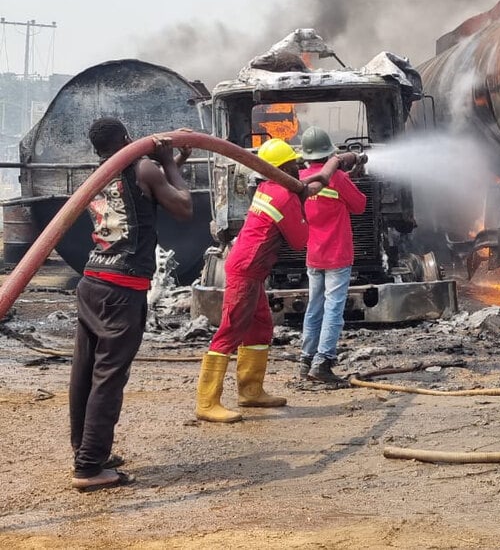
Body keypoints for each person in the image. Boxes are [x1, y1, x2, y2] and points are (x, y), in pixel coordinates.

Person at [70, 118, 193, 491]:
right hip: (122, 289)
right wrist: (168, 162)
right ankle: (90, 468)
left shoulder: (99, 173)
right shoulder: (146, 167)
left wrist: (172, 165)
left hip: (92, 280)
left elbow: (137, 196)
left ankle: (86, 450)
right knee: (109, 376)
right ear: (127, 138)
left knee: (86, 372)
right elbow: (184, 207)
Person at [194, 139, 355, 422]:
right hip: (246, 271)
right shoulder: (283, 197)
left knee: (259, 329)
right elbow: (299, 240)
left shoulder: (269, 188)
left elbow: (307, 188)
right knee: (230, 331)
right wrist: (305, 205)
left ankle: (251, 391)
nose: (301, 166)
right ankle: (207, 403)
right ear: (286, 167)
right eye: (295, 163)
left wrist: (314, 186)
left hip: (252, 271)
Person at [298, 126, 367, 384]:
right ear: (329, 153)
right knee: (333, 309)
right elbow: (359, 205)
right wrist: (350, 178)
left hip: (313, 255)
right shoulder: (337, 179)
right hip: (337, 255)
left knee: (314, 308)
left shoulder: (301, 179)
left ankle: (305, 360)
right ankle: (323, 362)